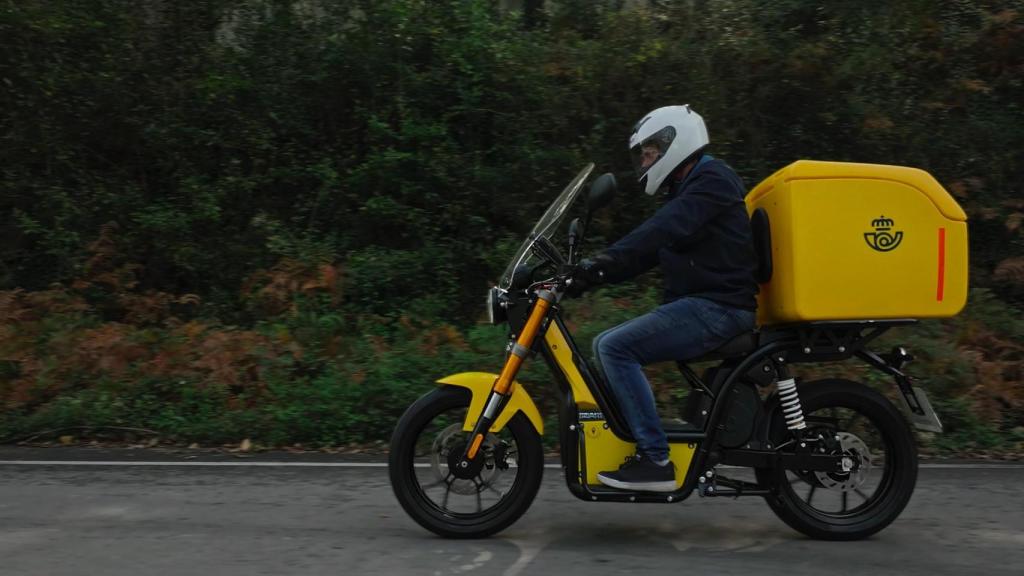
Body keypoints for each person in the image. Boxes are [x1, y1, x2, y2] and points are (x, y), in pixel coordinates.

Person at [568, 105, 759, 492]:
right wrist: (594, 274)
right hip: (707, 305)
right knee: (611, 344)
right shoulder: (691, 189)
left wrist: (596, 266)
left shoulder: (711, 179)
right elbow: (646, 253)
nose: (644, 160)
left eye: (649, 151)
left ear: (674, 142)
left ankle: (656, 461)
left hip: (720, 308)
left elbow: (659, 231)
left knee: (614, 347)